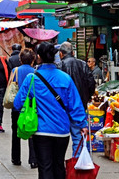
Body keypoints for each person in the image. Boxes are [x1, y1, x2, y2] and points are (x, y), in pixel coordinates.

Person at [14, 42, 88, 179]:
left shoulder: (31, 79)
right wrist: (82, 124)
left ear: (38, 57)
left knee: (45, 167)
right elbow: (75, 105)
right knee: (59, 165)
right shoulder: (65, 78)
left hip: (41, 131)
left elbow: (17, 104)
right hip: (62, 131)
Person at [59, 41, 95, 153]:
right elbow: (91, 83)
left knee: (60, 139)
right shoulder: (83, 64)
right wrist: (87, 97)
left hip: (62, 107)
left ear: (61, 54)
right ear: (73, 52)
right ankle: (78, 163)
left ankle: (60, 164)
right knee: (79, 137)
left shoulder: (59, 66)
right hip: (79, 107)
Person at [10, 49, 37, 168]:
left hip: (17, 107)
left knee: (15, 132)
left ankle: (16, 158)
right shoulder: (36, 72)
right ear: (33, 59)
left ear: (20, 59)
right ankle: (33, 159)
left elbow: (10, 85)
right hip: (31, 107)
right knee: (32, 131)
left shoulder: (15, 70)